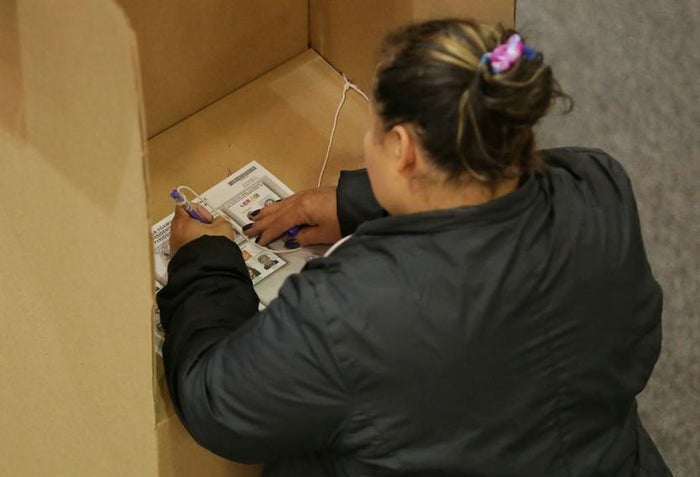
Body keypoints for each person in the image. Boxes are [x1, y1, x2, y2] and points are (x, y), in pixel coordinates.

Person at [157, 19, 672, 477]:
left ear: (402, 150)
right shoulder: (597, 183)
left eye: (375, 129)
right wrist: (364, 202)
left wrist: (204, 262)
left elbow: (216, 404)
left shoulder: (351, 307)